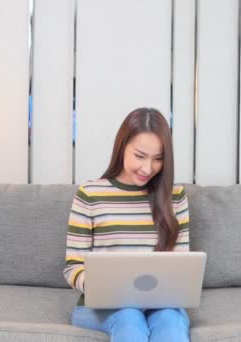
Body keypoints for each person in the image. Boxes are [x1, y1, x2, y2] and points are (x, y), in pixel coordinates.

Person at [63, 107, 191, 341]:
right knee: (130, 318)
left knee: (171, 323)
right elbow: (73, 268)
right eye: (140, 156)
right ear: (122, 147)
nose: (147, 168)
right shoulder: (90, 194)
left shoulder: (175, 197)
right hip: (100, 307)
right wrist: (104, 286)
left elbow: (181, 267)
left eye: (158, 159)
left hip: (161, 306)